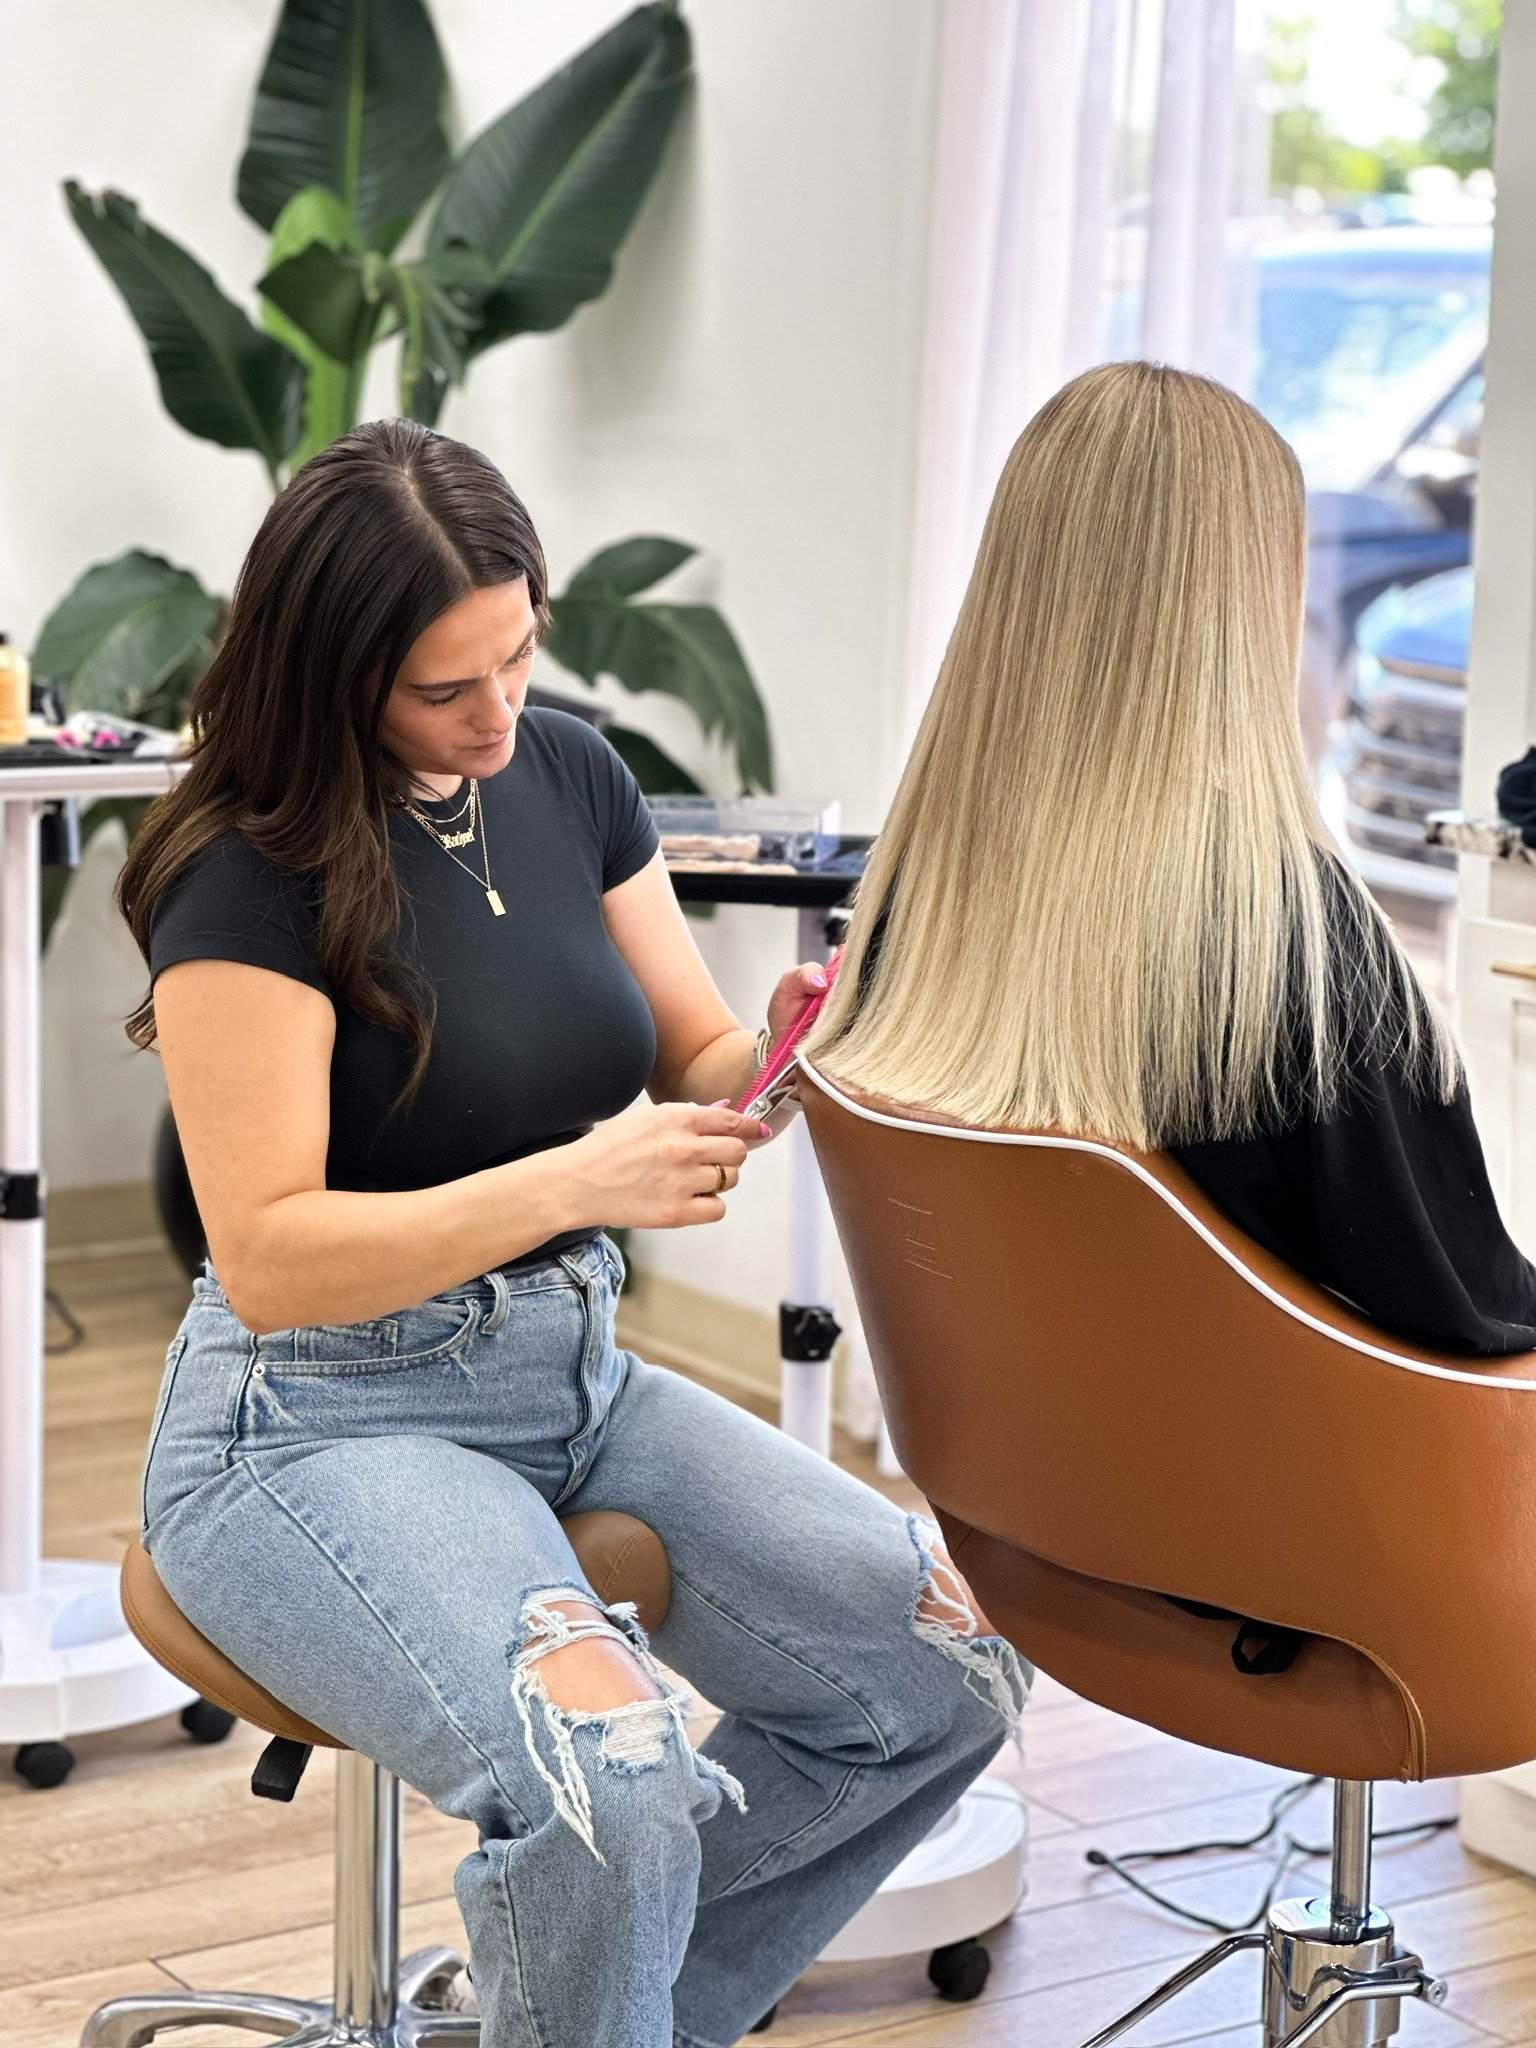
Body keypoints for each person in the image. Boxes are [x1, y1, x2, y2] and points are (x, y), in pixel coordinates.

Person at [123, 419, 1025, 2048]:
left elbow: (688, 1045)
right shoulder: (240, 872)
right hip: (309, 1417)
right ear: (331, 675)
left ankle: (576, 2011)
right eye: (441, 690)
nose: (496, 718)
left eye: (516, 658)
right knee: (610, 1789)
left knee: (944, 1674)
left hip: (572, 1373)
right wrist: (577, 1182)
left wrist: (788, 1057)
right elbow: (267, 1251)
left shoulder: (571, 772)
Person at [807, 360, 1536, 1358]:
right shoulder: (1288, 942)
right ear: (1247, 599)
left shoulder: (915, 902)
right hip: (1299, 1490)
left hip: (1038, 1487)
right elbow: (1468, 1320)